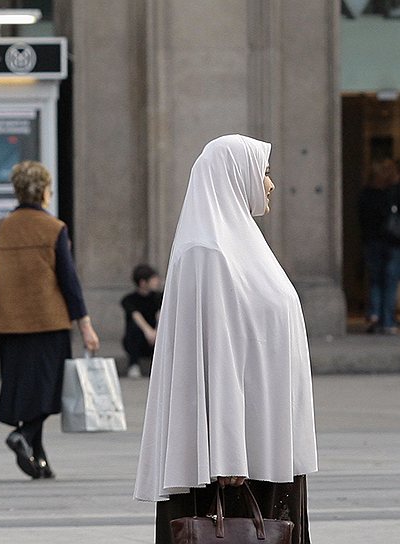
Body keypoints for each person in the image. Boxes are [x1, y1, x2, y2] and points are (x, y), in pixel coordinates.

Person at [134, 134, 317, 544]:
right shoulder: (207, 253)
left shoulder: (243, 247)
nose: (270, 184)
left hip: (267, 441)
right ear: (235, 177)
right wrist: (228, 451)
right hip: (234, 462)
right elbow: (214, 356)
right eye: (264, 172)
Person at [0, 160, 100, 480]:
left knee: (23, 388)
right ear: (44, 191)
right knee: (49, 389)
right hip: (49, 322)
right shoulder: (54, 229)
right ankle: (24, 434)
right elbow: (68, 280)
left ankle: (39, 457)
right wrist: (85, 324)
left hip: (9, 324)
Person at [357, 157, 400, 334]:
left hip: (371, 241)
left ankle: (374, 315)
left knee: (375, 280)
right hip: (392, 242)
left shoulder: (366, 194)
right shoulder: (393, 192)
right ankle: (387, 320)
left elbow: (361, 218)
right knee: (389, 282)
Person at [119, 264, 161, 378]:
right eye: (153, 279)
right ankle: (133, 365)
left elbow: (160, 314)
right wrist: (149, 331)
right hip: (137, 341)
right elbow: (135, 315)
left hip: (155, 339)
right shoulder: (129, 299)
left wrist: (157, 331)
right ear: (143, 282)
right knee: (134, 328)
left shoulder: (159, 297)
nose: (157, 282)